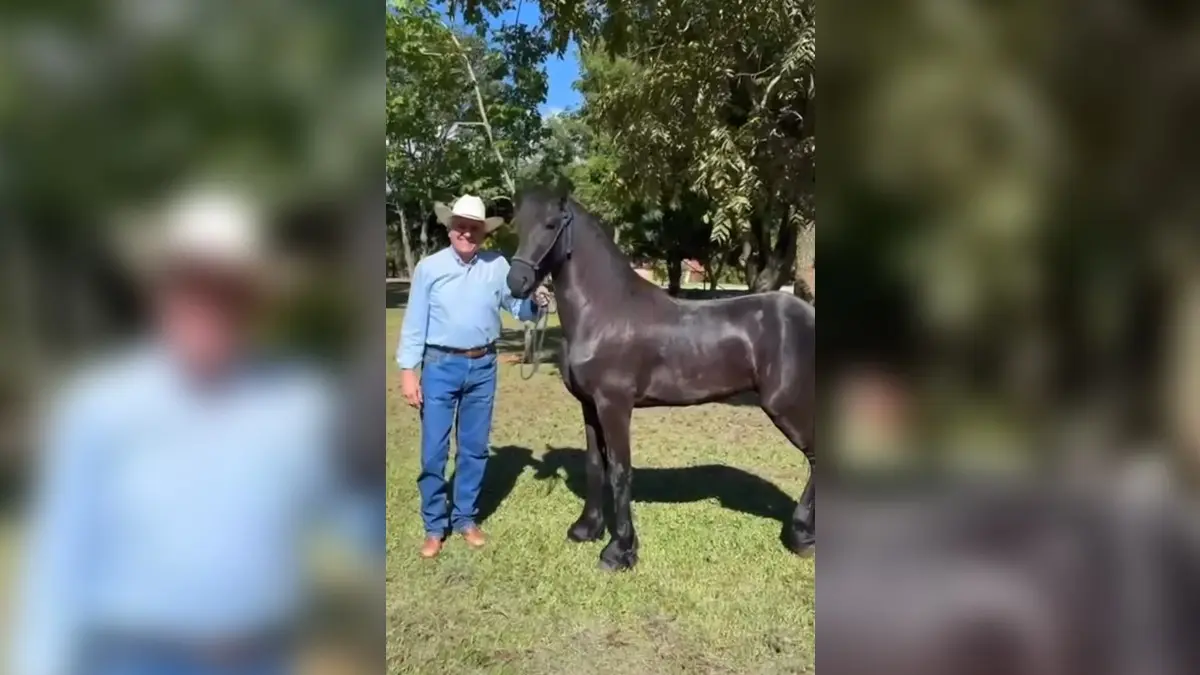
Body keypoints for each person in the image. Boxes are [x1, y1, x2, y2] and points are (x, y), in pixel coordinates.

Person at [9, 187, 378, 675]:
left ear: (254, 303)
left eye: (228, 291)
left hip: (258, 656)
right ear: (160, 295)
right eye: (192, 288)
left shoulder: (297, 404)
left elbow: (348, 515)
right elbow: (61, 563)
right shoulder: (99, 407)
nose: (209, 307)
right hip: (131, 655)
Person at [397, 194, 550, 559]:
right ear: (450, 229)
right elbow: (415, 322)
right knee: (434, 452)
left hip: (483, 366)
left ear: (484, 234)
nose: (467, 234)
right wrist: (408, 371)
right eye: (461, 227)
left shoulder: (496, 266)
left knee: (475, 449)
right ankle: (435, 526)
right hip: (439, 366)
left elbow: (515, 305)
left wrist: (534, 304)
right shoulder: (429, 268)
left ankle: (465, 517)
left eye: (474, 229)